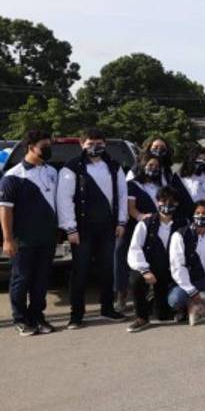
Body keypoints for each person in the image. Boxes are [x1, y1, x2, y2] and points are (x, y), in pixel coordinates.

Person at [57, 128, 128, 329]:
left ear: (105, 144)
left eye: (99, 143)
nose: (95, 147)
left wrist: (121, 222)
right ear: (82, 144)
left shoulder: (114, 166)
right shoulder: (71, 167)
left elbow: (122, 194)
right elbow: (64, 199)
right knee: (80, 271)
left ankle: (107, 308)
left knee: (107, 270)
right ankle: (76, 315)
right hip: (82, 229)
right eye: (90, 143)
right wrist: (70, 228)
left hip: (108, 227)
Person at [0, 130, 59, 336]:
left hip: (47, 237)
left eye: (49, 145)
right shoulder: (13, 176)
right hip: (23, 239)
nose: (48, 149)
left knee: (41, 280)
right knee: (21, 279)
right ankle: (20, 319)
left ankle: (37, 317)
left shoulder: (52, 172)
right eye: (44, 146)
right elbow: (5, 210)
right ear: (31, 147)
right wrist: (8, 239)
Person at [125, 186, 185, 332]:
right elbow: (134, 249)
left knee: (162, 316)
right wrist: (145, 270)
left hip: (169, 271)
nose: (167, 204)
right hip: (149, 268)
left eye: (172, 201)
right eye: (163, 200)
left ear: (177, 204)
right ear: (157, 202)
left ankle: (160, 303)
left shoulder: (182, 224)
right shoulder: (145, 223)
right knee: (136, 279)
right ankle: (142, 317)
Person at [115, 154, 165, 313]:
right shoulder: (132, 184)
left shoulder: (160, 186)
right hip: (134, 228)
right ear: (142, 166)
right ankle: (122, 296)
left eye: (156, 166)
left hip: (154, 229)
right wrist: (141, 217)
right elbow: (131, 208)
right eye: (150, 165)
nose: (153, 169)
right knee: (123, 259)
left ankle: (152, 298)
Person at [171, 145, 205, 223]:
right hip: (182, 214)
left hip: (199, 214)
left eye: (203, 160)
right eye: (199, 159)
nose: (201, 162)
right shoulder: (178, 176)